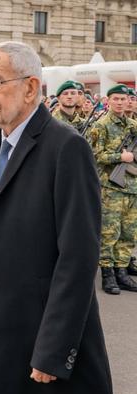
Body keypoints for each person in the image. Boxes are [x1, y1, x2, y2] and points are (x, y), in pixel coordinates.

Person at [0, 40, 113, 394]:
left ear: (30, 88)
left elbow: (78, 257)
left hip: (42, 340)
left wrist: (54, 349)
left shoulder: (66, 147)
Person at [89, 84, 137, 295]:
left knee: (129, 232)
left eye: (123, 99)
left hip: (132, 187)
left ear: (128, 101)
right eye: (115, 99)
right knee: (109, 232)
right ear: (108, 101)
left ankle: (122, 272)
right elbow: (95, 155)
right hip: (111, 187)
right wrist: (121, 157)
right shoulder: (101, 125)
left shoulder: (133, 126)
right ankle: (108, 274)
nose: (119, 102)